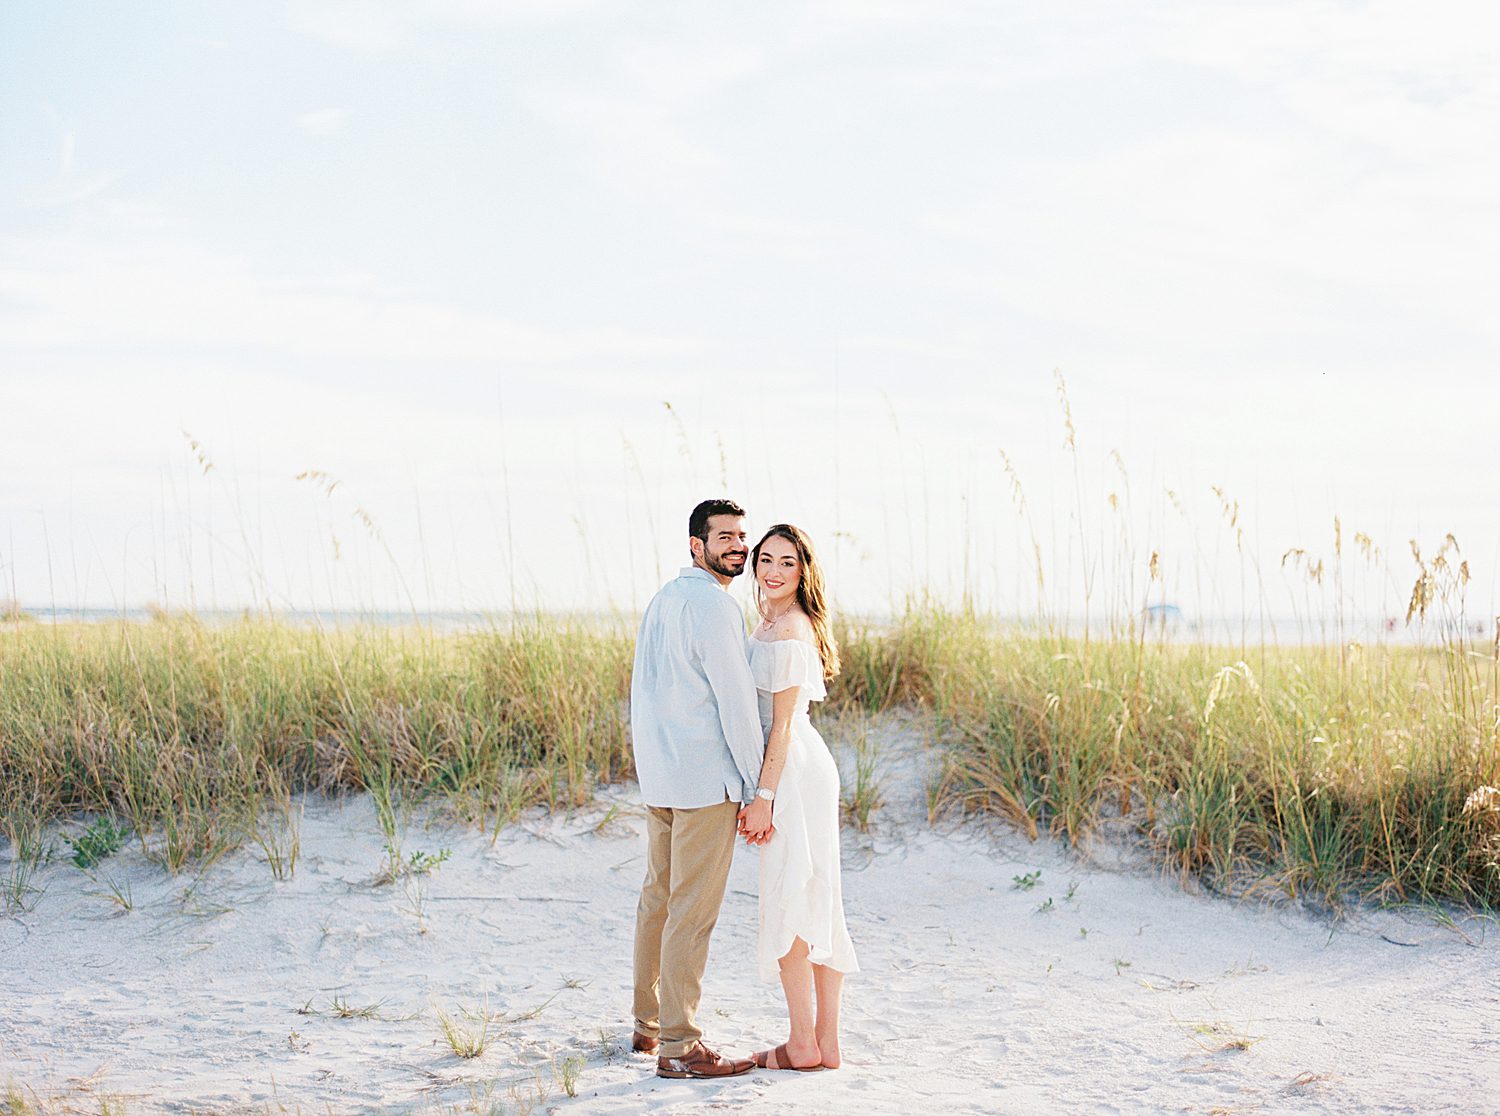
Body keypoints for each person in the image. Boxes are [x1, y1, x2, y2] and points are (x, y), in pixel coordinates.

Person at [629, 498, 771, 1080]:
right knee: (690, 912)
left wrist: (649, 767)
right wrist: (760, 785)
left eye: (743, 536)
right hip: (704, 782)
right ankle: (680, 1047)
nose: (738, 545)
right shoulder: (713, 607)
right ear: (697, 545)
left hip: (662, 777)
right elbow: (737, 706)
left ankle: (649, 1024)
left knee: (658, 900)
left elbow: (646, 689)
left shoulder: (664, 599)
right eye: (725, 537)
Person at [738, 523, 859, 1072]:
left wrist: (763, 795)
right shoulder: (772, 621)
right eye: (766, 559)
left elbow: (781, 726)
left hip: (790, 769)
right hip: (799, 764)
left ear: (804, 570)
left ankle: (803, 1043)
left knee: (792, 895)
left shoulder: (788, 630)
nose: (774, 571)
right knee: (815, 895)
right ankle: (826, 1045)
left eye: (788, 563)